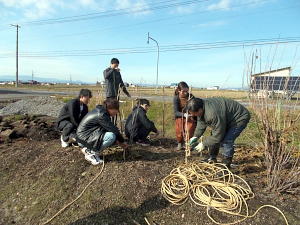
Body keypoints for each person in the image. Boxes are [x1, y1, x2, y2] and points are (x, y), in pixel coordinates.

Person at [187, 98, 250, 170]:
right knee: (215, 134)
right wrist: (195, 136)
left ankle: (225, 167)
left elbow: (218, 136)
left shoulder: (212, 114)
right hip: (225, 118)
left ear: (200, 110)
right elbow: (201, 122)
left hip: (239, 118)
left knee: (226, 141)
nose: (192, 115)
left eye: (193, 113)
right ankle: (212, 158)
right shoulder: (202, 108)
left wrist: (204, 144)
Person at [76, 98, 128, 165]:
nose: (117, 112)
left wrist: (116, 141)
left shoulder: (101, 112)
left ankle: (89, 149)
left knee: (112, 137)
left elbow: (106, 128)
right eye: (116, 109)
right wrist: (122, 141)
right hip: (84, 138)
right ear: (109, 108)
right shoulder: (102, 115)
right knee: (111, 137)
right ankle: (90, 152)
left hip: (84, 137)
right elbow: (113, 130)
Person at [173, 81, 196, 150]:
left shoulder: (191, 96)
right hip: (180, 116)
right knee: (179, 130)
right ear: (179, 90)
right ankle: (180, 142)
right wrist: (184, 115)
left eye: (187, 91)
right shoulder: (176, 98)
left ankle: (189, 144)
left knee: (189, 130)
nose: (185, 93)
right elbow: (176, 112)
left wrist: (190, 114)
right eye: (183, 91)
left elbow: (195, 107)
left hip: (190, 116)